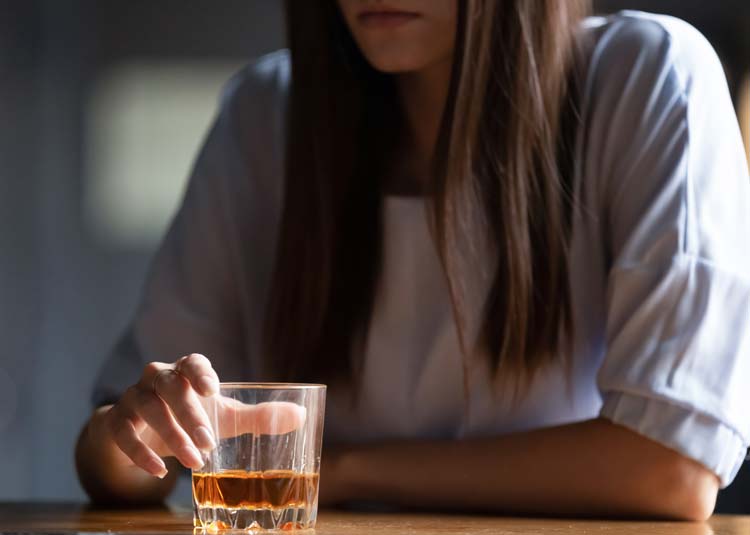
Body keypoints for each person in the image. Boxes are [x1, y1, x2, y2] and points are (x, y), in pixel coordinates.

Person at [75, 0, 750, 520]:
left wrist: (347, 470)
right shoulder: (263, 115)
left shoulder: (651, 76)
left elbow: (673, 467)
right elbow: (125, 461)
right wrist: (130, 428)